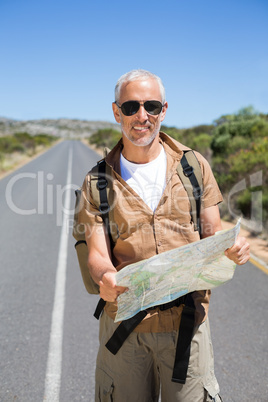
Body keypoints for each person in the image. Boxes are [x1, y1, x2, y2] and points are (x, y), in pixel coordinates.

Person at [79, 69, 250, 402]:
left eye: (151, 106)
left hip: (187, 326)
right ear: (116, 112)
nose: (142, 116)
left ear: (164, 110)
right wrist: (106, 277)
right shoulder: (96, 182)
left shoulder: (193, 167)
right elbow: (97, 253)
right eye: (131, 107)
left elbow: (212, 233)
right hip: (124, 331)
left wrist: (231, 248)